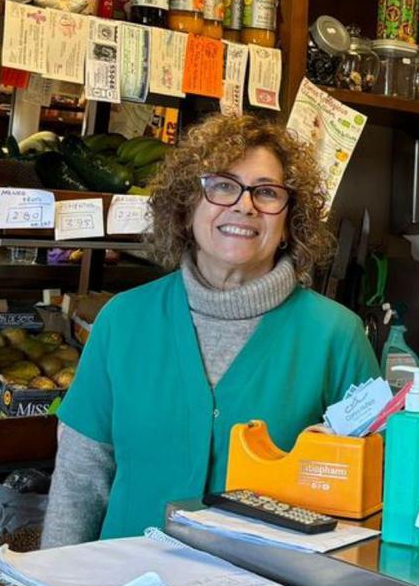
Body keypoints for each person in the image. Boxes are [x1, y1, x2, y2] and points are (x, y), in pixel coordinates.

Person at [41, 114, 380, 546]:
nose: (244, 205)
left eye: (268, 192)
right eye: (222, 185)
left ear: (290, 221)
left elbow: (374, 498)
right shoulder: (123, 320)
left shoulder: (338, 336)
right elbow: (79, 480)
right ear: (186, 206)